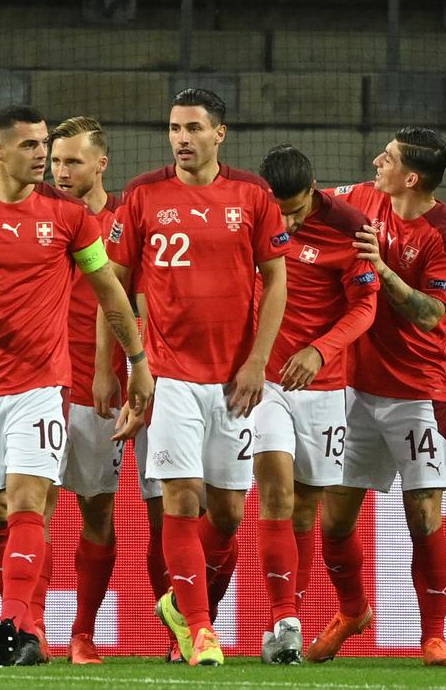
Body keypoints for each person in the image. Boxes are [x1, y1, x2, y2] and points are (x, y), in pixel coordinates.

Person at [0, 105, 151, 667]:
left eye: (44, 143)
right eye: (30, 145)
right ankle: (27, 625)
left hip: (43, 385)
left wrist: (136, 359)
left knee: (31, 501)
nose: (41, 154)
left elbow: (109, 289)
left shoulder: (70, 216)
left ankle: (16, 626)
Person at [104, 88, 289, 666]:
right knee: (180, 501)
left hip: (234, 378)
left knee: (229, 513)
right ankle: (202, 629)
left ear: (219, 134)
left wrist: (258, 361)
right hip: (170, 377)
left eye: (192, 128)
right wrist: (136, 362)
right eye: (174, 128)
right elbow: (111, 280)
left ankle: (176, 605)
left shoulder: (253, 197)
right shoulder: (142, 195)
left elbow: (276, 280)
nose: (181, 138)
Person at [306, 128, 446, 668]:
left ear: (412, 178)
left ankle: (433, 636)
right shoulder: (364, 198)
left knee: (422, 514)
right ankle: (352, 611)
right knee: (334, 519)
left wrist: (381, 269)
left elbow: (430, 313)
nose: (377, 160)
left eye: (390, 157)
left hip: (417, 391)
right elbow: (311, 202)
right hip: (355, 387)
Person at [249, 144, 378, 665]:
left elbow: (365, 306)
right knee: (276, 494)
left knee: (306, 508)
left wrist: (320, 350)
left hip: (323, 387)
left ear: (315, 191)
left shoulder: (350, 226)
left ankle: (292, 617)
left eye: (297, 209)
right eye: (279, 209)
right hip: (263, 381)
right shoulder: (250, 214)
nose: (287, 220)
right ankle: (284, 622)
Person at [48, 116, 165, 665]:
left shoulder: (126, 219)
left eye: (74, 160)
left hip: (121, 388)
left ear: (101, 163)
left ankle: (95, 631)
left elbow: (138, 301)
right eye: (56, 160)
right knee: (35, 509)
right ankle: (37, 628)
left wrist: (120, 368)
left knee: (138, 511)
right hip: (51, 385)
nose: (62, 171)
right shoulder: (40, 218)